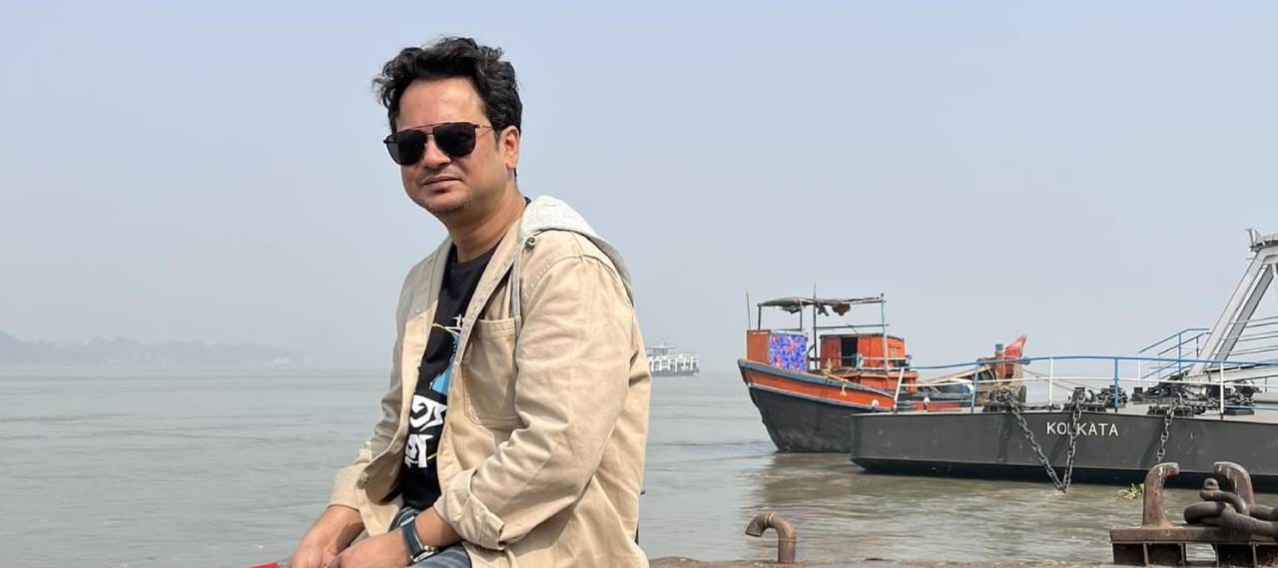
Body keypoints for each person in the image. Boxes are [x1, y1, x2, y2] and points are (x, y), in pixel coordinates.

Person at [286, 36, 652, 568]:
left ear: (509, 146)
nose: (433, 158)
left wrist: (407, 544)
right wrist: (333, 523)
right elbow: (398, 429)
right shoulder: (423, 282)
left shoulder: (564, 268)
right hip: (424, 525)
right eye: (410, 145)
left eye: (455, 137)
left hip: (525, 547)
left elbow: (557, 450)